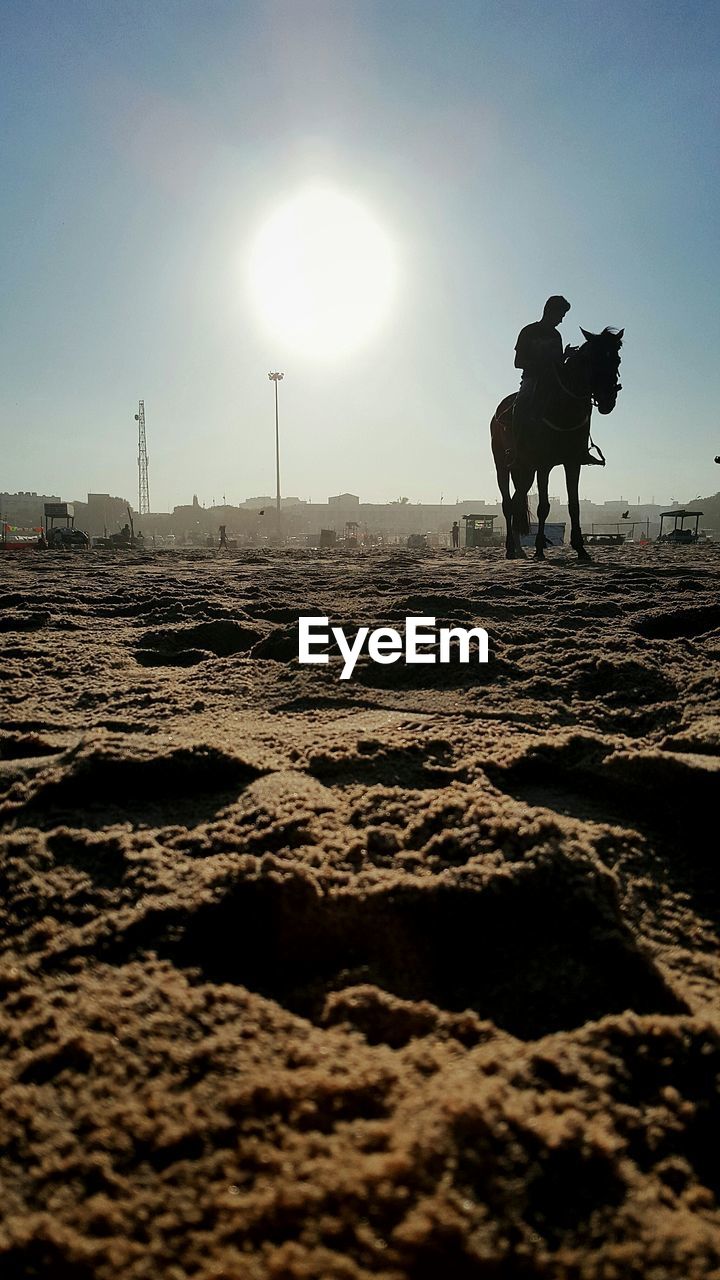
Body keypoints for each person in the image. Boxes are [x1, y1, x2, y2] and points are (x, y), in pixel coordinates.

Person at [512, 296, 570, 457]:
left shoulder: (557, 336)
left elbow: (557, 363)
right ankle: (516, 449)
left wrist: (565, 357)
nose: (561, 320)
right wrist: (542, 364)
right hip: (532, 379)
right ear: (550, 311)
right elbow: (518, 362)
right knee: (521, 405)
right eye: (561, 315)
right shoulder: (528, 331)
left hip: (554, 380)